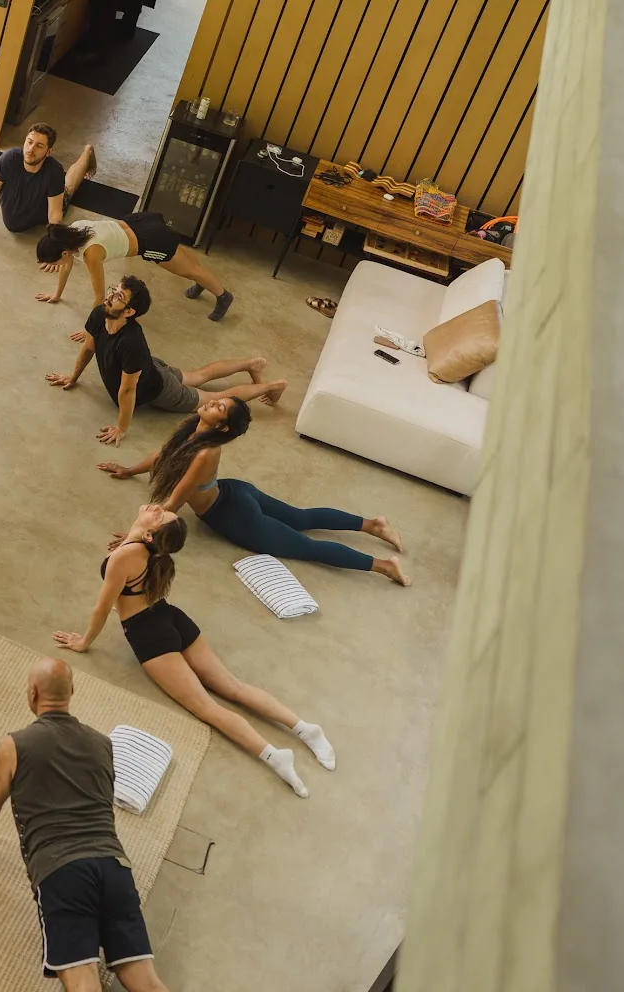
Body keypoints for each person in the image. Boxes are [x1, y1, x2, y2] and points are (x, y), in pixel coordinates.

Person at [0, 658, 206, 992]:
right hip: (113, 867)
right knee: (148, 985)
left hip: (61, 873)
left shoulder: (15, 745)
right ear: (72, 693)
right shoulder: (103, 744)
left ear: (32, 694)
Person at [52, 503, 335, 797]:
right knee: (234, 687)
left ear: (149, 535)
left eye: (160, 515)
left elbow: (101, 608)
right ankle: (305, 728)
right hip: (173, 618)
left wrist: (84, 642)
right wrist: (130, 549)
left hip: (148, 634)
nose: (157, 507)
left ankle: (275, 756)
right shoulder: (149, 547)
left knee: (207, 708)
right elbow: (132, 579)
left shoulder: (126, 554)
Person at [100, 397, 411, 584]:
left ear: (222, 427)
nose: (212, 403)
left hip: (235, 517)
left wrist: (135, 537)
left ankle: (384, 566)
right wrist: (129, 469)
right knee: (300, 517)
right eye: (218, 402)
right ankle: (373, 525)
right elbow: (162, 455)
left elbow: (174, 503)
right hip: (235, 492)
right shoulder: (193, 430)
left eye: (219, 407)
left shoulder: (205, 453)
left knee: (307, 547)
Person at [46, 276, 284, 445]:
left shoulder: (131, 342)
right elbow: (89, 347)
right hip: (150, 366)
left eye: (118, 296)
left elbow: (128, 390)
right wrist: (73, 377)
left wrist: (122, 428)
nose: (110, 297)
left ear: (129, 311)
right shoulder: (100, 313)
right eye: (113, 290)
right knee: (198, 376)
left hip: (159, 389)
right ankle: (250, 364)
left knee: (215, 397)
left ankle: (272, 386)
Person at [35, 215, 234, 321]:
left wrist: (92, 329)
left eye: (53, 263)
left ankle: (223, 296)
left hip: (150, 241)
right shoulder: (73, 231)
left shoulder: (91, 254)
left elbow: (99, 297)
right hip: (138, 222)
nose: (55, 266)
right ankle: (202, 282)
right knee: (189, 266)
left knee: (189, 270)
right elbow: (66, 266)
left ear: (64, 253)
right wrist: (57, 294)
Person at [0, 123, 96, 240]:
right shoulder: (9, 159)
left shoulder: (54, 171)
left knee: (68, 188)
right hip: (20, 203)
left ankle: (87, 153)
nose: (31, 149)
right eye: (29, 142)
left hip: (43, 210)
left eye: (39, 146)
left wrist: (54, 246)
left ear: (49, 151)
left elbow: (54, 215)